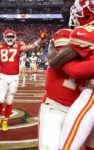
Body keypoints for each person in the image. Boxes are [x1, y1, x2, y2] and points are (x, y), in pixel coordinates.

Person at [39, 0, 94, 149]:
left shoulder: (85, 36)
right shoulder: (65, 34)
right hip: (56, 106)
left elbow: (58, 62)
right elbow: (63, 65)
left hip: (78, 106)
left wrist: (51, 52)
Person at [0, 29, 46, 131]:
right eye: (8, 37)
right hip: (4, 76)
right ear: (5, 38)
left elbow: (31, 47)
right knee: (0, 100)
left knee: (10, 101)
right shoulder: (0, 46)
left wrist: (40, 39)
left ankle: (5, 120)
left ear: (14, 38)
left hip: (14, 77)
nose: (10, 39)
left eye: (11, 37)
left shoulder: (18, 46)